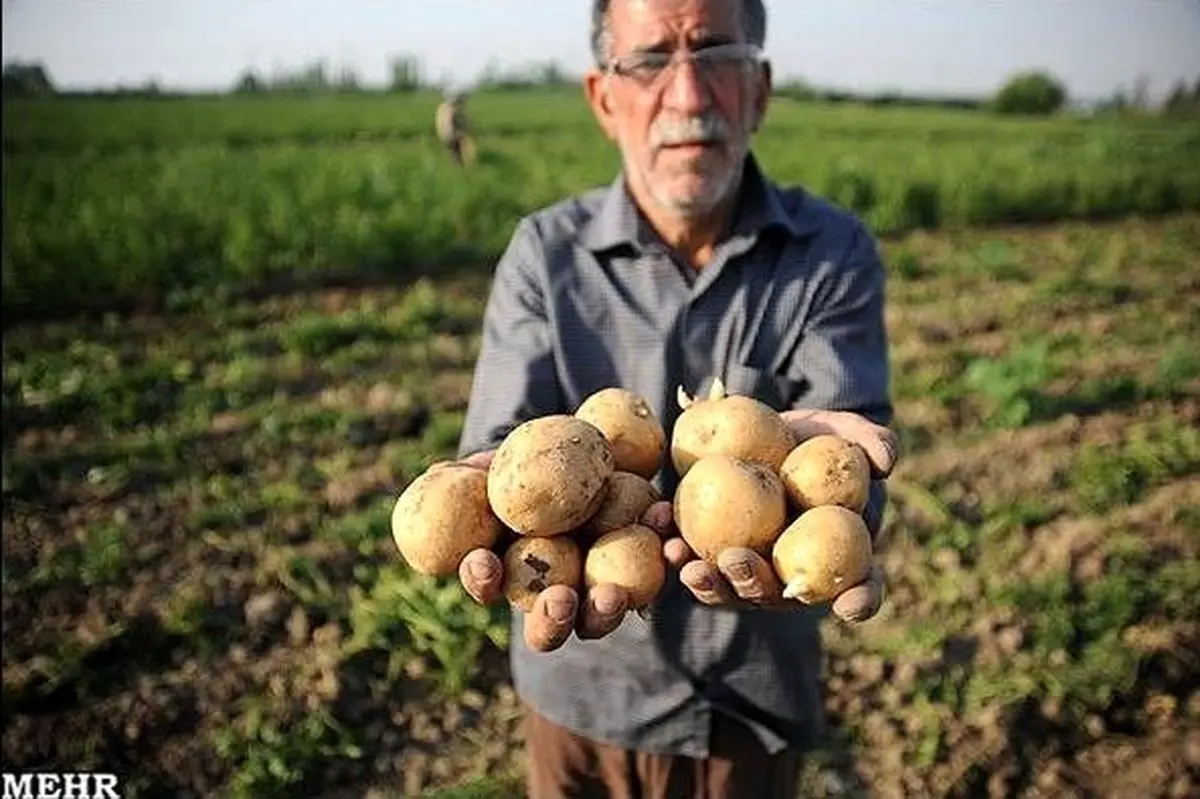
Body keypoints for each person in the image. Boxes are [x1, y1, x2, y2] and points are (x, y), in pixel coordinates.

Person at [451, 0, 900, 796]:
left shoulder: (832, 253)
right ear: (602, 95)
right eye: (652, 58)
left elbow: (842, 470)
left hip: (747, 708)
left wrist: (840, 509)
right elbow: (496, 466)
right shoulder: (544, 255)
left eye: (716, 54)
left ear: (759, 89)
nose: (688, 95)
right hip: (583, 700)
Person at [435, 91, 474, 167]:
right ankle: (461, 169)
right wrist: (456, 133)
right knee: (458, 155)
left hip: (447, 135)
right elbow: (449, 123)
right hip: (454, 135)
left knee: (454, 155)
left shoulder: (444, 107)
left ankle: (458, 168)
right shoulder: (451, 110)